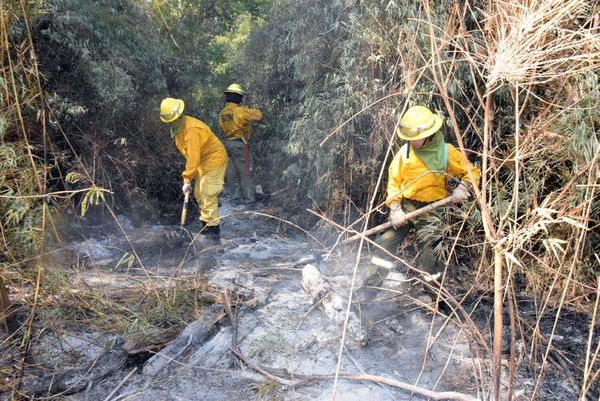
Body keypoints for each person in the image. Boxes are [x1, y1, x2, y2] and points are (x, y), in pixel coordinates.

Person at [362, 105, 481, 301]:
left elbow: (472, 172)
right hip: (406, 207)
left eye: (414, 137)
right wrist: (395, 208)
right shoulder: (405, 152)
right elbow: (394, 181)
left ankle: (436, 299)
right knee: (383, 244)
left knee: (431, 257)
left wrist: (463, 187)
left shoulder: (446, 152)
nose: (410, 141)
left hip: (432, 211)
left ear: (428, 134)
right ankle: (367, 294)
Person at [160, 97, 228, 243]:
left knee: (207, 192)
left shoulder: (191, 131)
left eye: (173, 120)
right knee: (198, 193)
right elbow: (190, 155)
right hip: (202, 161)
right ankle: (206, 226)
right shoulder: (179, 129)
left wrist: (187, 179)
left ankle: (213, 234)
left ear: (179, 116)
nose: (171, 123)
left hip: (214, 158)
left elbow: (193, 157)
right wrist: (190, 178)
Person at [218, 83, 264, 204]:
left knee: (231, 173)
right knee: (246, 172)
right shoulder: (239, 111)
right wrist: (246, 109)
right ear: (238, 97)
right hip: (239, 144)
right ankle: (250, 200)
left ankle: (236, 199)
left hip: (227, 144)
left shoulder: (222, 113)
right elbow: (259, 115)